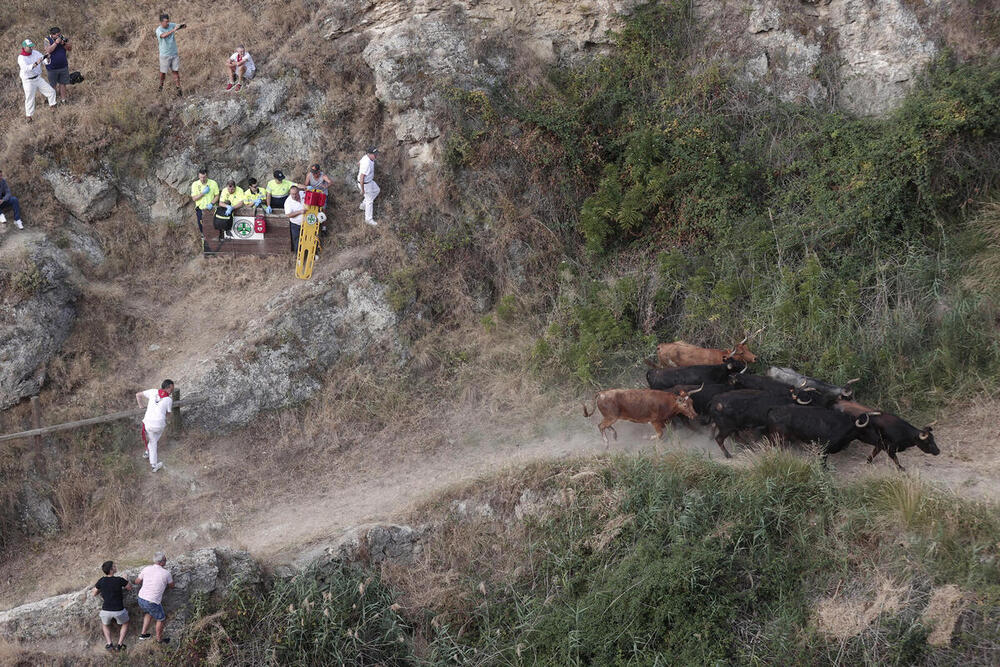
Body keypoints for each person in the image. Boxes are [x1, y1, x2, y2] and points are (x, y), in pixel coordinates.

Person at [135, 552, 174, 644]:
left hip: (141, 598)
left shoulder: (146, 569)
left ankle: (143, 634)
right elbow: (172, 585)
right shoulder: (166, 573)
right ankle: (159, 639)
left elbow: (137, 581)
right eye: (165, 560)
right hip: (152, 601)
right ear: (161, 562)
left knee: (149, 613)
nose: (166, 561)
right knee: (161, 619)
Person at [92, 560, 131, 652]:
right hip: (119, 610)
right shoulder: (119, 580)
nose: (115, 567)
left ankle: (109, 644)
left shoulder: (101, 580)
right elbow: (129, 588)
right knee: (125, 623)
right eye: (114, 566)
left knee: (105, 624)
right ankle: (120, 645)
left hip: (106, 610)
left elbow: (94, 593)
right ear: (111, 570)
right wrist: (125, 579)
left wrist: (99, 590)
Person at [136, 380, 174, 473]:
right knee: (153, 441)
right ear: (168, 388)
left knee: (153, 440)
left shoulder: (153, 391)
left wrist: (141, 406)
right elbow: (168, 414)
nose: (173, 389)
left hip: (147, 423)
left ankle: (147, 452)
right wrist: (166, 418)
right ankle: (154, 465)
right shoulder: (169, 400)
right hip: (158, 425)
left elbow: (138, 395)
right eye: (172, 387)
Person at [18, 40, 57, 122]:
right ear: (24, 47)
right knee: (30, 98)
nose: (31, 48)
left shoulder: (35, 52)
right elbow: (26, 69)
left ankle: (53, 109)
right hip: (28, 81)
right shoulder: (21, 57)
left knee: (51, 92)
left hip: (37, 78)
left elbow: (45, 62)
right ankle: (29, 117)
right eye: (29, 47)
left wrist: (48, 58)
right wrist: (36, 63)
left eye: (32, 46)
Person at [155, 14, 185, 97]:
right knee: (163, 73)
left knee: (175, 72)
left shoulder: (171, 25)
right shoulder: (158, 30)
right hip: (165, 55)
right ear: (161, 22)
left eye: (168, 21)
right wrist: (174, 30)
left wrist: (182, 26)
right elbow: (163, 36)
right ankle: (160, 87)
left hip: (174, 53)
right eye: (166, 22)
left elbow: (178, 26)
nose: (168, 23)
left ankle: (179, 90)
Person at [43, 28, 72, 104]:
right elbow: (48, 50)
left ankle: (63, 100)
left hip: (63, 66)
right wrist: (56, 43)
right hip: (52, 67)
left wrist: (63, 43)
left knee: (63, 84)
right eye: (57, 35)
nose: (59, 36)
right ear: (52, 35)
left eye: (60, 34)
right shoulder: (47, 39)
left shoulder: (62, 37)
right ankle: (53, 102)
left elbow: (69, 48)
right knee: (53, 85)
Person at [304, 163, 333, 236]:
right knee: (310, 209)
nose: (313, 175)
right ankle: (310, 226)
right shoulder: (309, 175)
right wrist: (307, 187)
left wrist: (325, 186)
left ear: (318, 172)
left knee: (323, 210)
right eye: (312, 173)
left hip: (322, 195)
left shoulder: (323, 176)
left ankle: (324, 228)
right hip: (313, 194)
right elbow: (306, 185)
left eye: (315, 173)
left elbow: (330, 182)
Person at [189, 169, 220, 236]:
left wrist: (212, 204)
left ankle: (215, 240)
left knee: (213, 226)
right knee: (202, 227)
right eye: (201, 177)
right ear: (198, 176)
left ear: (207, 176)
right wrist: (203, 193)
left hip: (211, 209)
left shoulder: (213, 183)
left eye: (204, 177)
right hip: (201, 209)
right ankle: (205, 240)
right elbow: (194, 198)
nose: (202, 179)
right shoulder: (195, 184)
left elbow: (217, 196)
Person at [357, 148, 379, 226]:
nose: (376, 155)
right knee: (370, 201)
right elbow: (362, 177)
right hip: (365, 184)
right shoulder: (367, 163)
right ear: (369, 154)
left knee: (377, 190)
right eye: (374, 154)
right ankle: (368, 220)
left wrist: (361, 168)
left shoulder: (366, 157)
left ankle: (363, 205)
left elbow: (358, 163)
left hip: (369, 182)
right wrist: (362, 190)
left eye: (376, 153)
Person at [284, 185, 306, 254]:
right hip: (296, 225)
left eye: (295, 194)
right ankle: (298, 257)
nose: (294, 196)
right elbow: (288, 215)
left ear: (299, 192)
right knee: (297, 241)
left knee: (308, 239)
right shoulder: (288, 202)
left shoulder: (303, 193)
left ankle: (311, 254)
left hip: (307, 223)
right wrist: (300, 212)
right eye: (292, 194)